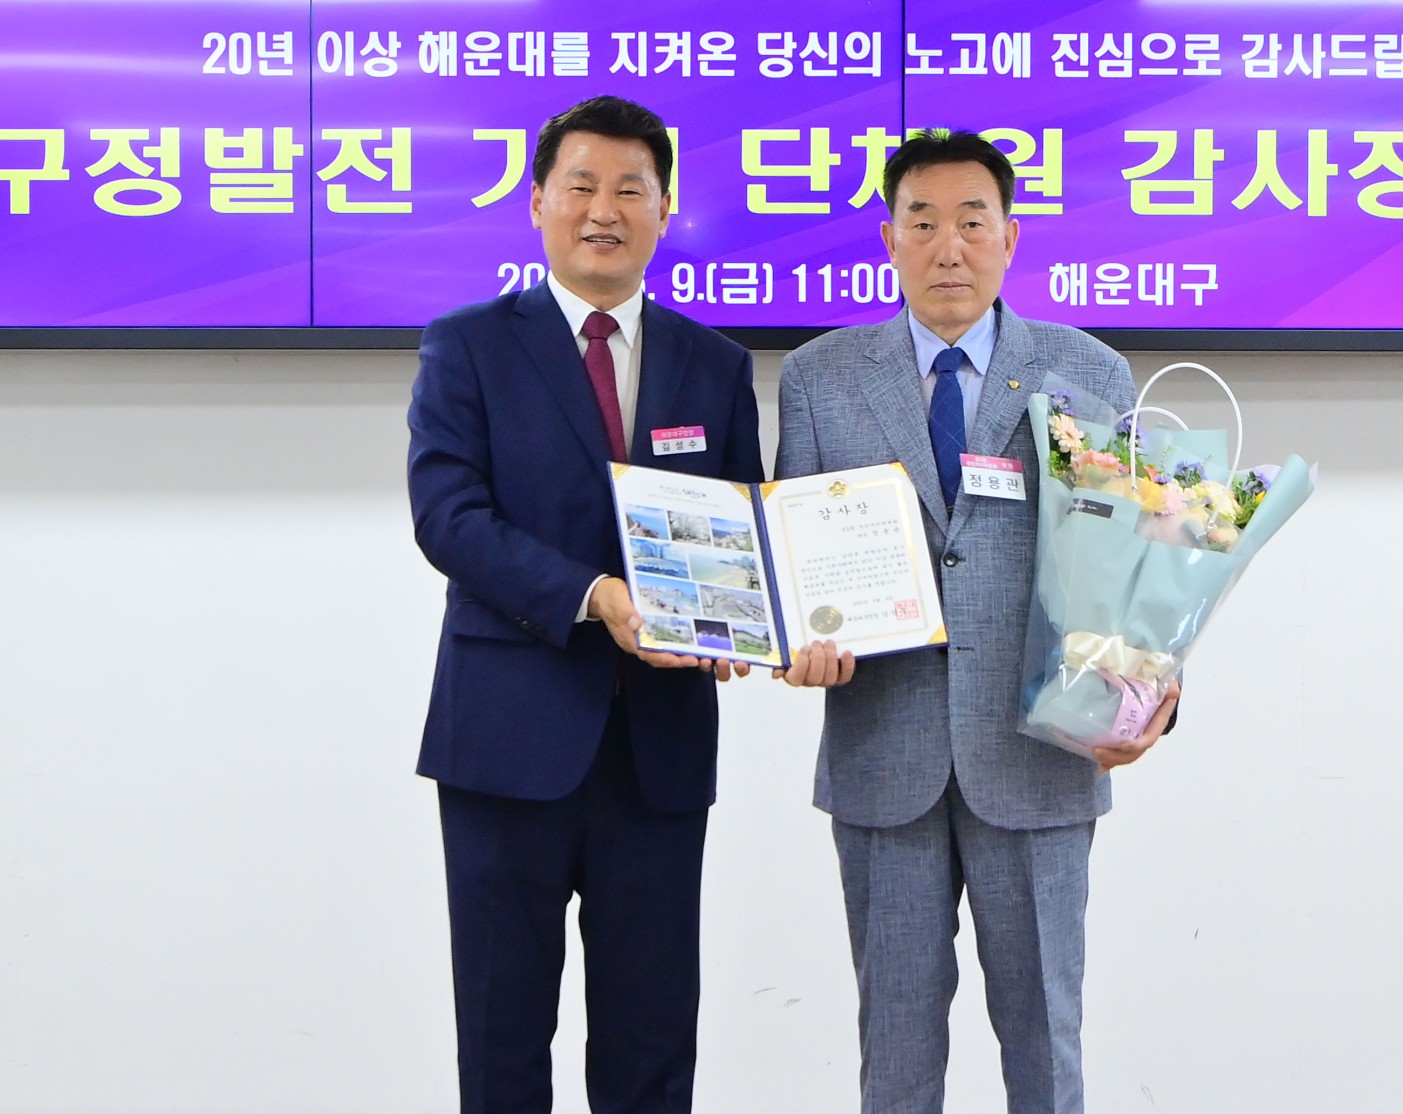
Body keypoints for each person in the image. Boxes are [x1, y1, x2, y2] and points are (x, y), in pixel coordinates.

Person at [775, 129, 1180, 1112]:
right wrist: (794, 640)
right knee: (895, 1049)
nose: (947, 247)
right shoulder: (821, 377)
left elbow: (1135, 563)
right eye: (922, 223)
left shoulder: (1087, 372)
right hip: (884, 755)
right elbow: (796, 555)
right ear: (889, 239)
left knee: (1046, 1042)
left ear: (1010, 237)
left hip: (1039, 756)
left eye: (971, 221)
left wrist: (1151, 693)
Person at [407, 95, 762, 1113]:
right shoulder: (469, 345)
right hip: (505, 743)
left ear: (665, 209)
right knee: (503, 1040)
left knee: (652, 1046)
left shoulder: (715, 364)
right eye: (582, 186)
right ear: (537, 202)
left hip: (658, 748)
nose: (605, 209)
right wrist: (595, 595)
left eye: (631, 189)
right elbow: (447, 517)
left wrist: (747, 621)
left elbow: (742, 528)